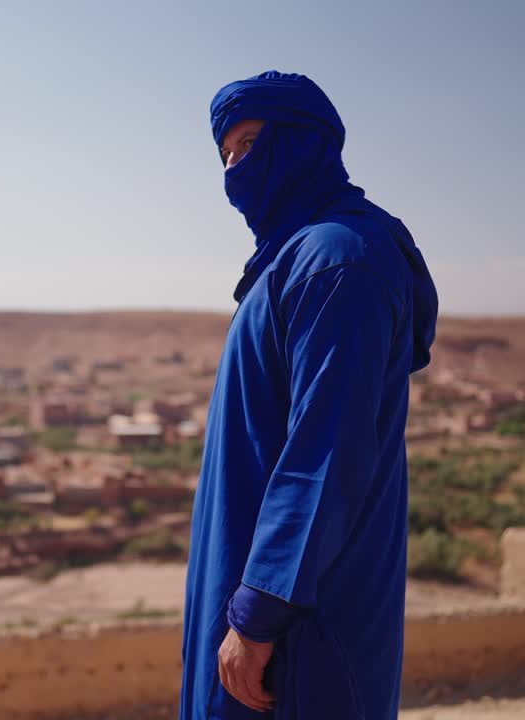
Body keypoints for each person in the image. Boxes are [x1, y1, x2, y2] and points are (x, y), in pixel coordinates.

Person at [179, 71, 439, 720]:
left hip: (302, 618)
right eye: (225, 154)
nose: (234, 167)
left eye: (247, 143)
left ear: (302, 142)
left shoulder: (337, 261)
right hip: (259, 588)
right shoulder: (297, 257)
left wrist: (259, 613)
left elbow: (324, 452)